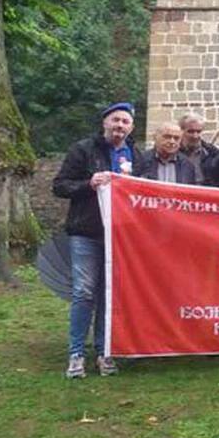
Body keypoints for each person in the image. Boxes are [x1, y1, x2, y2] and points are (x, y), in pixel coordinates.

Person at [52, 102, 142, 379]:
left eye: (125, 122)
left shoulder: (135, 154)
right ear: (104, 123)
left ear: (131, 127)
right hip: (87, 232)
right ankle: (76, 353)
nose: (120, 126)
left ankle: (104, 351)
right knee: (84, 292)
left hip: (119, 235)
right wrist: (89, 183)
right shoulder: (83, 150)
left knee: (108, 294)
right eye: (115, 120)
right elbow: (60, 185)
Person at [178, 112, 219, 183]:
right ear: (181, 131)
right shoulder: (173, 153)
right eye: (191, 131)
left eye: (198, 131)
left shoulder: (212, 153)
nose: (195, 136)